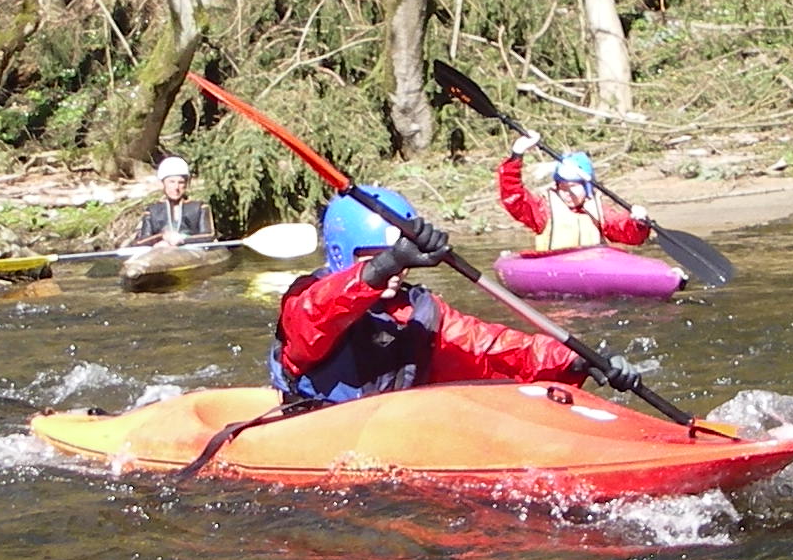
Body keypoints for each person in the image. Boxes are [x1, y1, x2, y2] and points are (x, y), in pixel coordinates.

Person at [270, 187, 642, 403]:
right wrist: (384, 266)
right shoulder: (306, 300)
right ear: (342, 255)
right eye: (378, 259)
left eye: (401, 260)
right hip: (322, 427)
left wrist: (579, 360)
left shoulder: (420, 311)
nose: (396, 272)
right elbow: (320, 314)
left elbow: (490, 347)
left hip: (397, 434)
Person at [497, 136, 652, 253]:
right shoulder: (544, 211)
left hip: (591, 273)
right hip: (555, 273)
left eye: (573, 187)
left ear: (587, 187)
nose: (567, 193)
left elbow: (630, 236)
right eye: (562, 188)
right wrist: (516, 155)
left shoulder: (600, 212)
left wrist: (638, 223)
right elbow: (514, 197)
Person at [132, 156, 213, 247]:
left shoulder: (200, 208)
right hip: (161, 250)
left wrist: (183, 239)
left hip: (193, 250)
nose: (176, 187)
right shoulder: (152, 211)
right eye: (171, 182)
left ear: (186, 184)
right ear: (163, 184)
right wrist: (162, 237)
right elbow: (141, 241)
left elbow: (209, 236)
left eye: (181, 182)